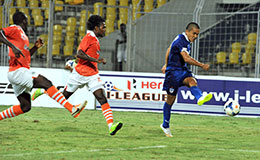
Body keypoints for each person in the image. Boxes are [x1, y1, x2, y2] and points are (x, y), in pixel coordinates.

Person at [32, 15, 123, 136]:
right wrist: (96, 61)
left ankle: (111, 126)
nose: (105, 29)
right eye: (103, 27)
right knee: (64, 97)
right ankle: (43, 91)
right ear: (96, 28)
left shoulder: (95, 38)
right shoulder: (89, 37)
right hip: (79, 74)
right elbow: (79, 54)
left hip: (92, 74)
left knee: (101, 97)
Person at [0, 11, 87, 121]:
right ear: (24, 21)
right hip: (18, 72)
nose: (28, 24)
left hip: (17, 71)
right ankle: (71, 108)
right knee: (46, 83)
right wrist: (12, 46)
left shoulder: (22, 35)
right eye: (27, 21)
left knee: (25, 106)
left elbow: (25, 56)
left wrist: (35, 47)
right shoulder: (15, 28)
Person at [160, 22, 213, 137]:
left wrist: (165, 63)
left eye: (197, 34)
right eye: (194, 33)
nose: (195, 36)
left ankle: (200, 97)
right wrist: (201, 65)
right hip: (173, 73)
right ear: (187, 31)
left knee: (191, 81)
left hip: (181, 70)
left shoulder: (184, 40)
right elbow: (186, 58)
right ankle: (165, 125)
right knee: (170, 100)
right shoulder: (181, 40)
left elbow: (169, 49)